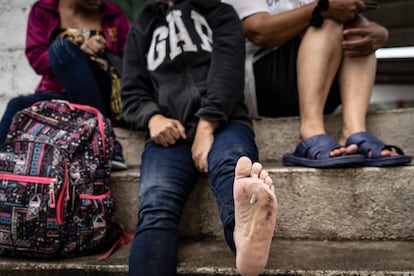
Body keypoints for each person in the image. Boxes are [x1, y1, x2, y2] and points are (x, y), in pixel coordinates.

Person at [121, 0, 278, 275]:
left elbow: (228, 73)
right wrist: (152, 117)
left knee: (233, 170)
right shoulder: (142, 27)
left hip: (225, 122)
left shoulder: (220, 12)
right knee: (156, 203)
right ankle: (243, 236)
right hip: (169, 131)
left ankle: (244, 241)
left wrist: (207, 125)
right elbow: (132, 90)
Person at [222, 0, 411, 168]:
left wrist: (379, 33)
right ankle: (310, 131)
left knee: (357, 25)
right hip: (266, 86)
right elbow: (259, 31)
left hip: (321, 84)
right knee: (326, 20)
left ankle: (354, 130)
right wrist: (322, 8)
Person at [0, 0, 131, 170]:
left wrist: (103, 52)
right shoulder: (43, 11)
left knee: (60, 48)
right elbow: (37, 60)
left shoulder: (113, 13)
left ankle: (108, 143)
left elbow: (130, 60)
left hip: (99, 92)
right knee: (17, 105)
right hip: (59, 92)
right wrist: (79, 49)